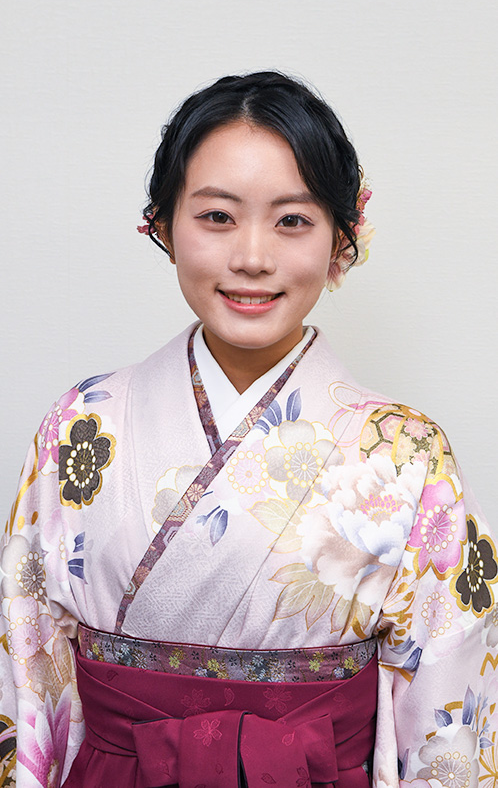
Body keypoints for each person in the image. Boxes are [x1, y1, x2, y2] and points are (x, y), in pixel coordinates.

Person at [1, 71, 497, 788]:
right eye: (217, 216)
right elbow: (31, 664)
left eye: (292, 220)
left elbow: (449, 703)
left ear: (341, 242)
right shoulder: (83, 423)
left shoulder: (407, 451)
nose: (253, 257)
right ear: (163, 225)